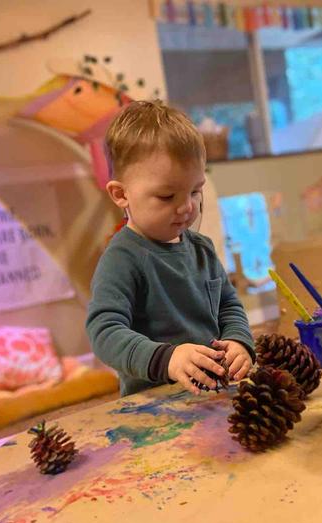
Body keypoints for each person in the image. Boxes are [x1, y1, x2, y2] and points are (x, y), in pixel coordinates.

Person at [86, 101, 254, 397]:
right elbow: (105, 332)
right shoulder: (122, 259)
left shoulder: (202, 249)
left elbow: (229, 306)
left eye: (194, 190)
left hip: (214, 395)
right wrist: (168, 359)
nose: (187, 207)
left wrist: (239, 341)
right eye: (166, 196)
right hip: (151, 407)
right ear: (121, 194)